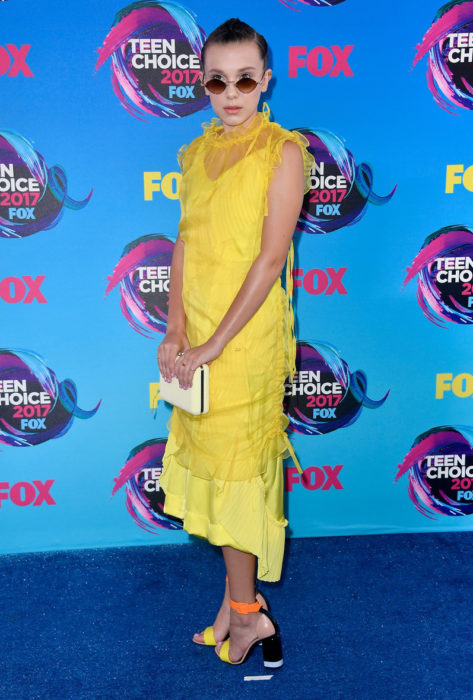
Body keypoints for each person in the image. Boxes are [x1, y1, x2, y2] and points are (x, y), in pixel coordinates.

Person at [157, 17, 314, 667]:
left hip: (243, 345)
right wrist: (174, 331)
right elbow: (186, 245)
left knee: (238, 481)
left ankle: (249, 618)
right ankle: (235, 605)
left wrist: (216, 344)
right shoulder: (194, 155)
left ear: (264, 80)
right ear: (201, 82)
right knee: (217, 483)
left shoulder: (283, 152)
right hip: (195, 343)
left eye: (244, 79)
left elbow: (269, 258)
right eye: (216, 80)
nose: (230, 93)